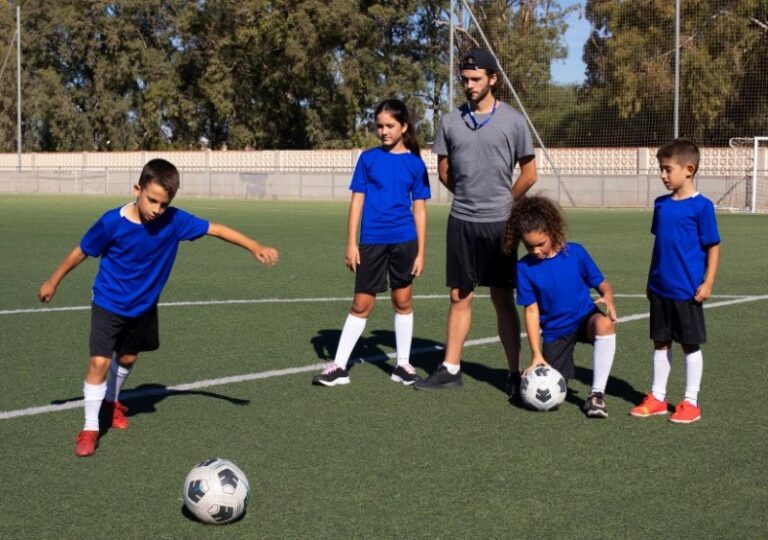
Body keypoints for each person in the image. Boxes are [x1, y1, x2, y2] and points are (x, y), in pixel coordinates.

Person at [38, 159, 279, 457]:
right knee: (99, 363)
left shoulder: (174, 221)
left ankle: (111, 402)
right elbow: (81, 252)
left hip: (143, 307)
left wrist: (254, 246)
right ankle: (90, 428)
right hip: (108, 302)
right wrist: (53, 280)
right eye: (151, 200)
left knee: (127, 358)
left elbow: (215, 229)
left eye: (163, 204)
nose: (156, 209)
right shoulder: (111, 223)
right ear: (137, 189)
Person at [414, 48, 537, 395]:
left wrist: (502, 201)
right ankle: (450, 368)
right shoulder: (451, 121)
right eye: (464, 80)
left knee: (502, 297)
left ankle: (514, 373)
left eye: (476, 79)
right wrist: (467, 196)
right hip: (462, 222)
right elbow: (443, 171)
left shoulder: (513, 121)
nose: (469, 85)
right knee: (459, 295)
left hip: (500, 224)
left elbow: (529, 174)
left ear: (493, 79)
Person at [312, 99, 431, 387]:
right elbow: (356, 203)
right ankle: (339, 366)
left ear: (404, 127)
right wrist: (351, 243)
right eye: (379, 126)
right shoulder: (367, 159)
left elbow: (420, 209)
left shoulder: (415, 164)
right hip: (371, 242)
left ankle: (403, 364)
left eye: (390, 125)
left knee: (402, 300)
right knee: (361, 303)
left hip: (404, 241)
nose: (384, 131)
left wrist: (421, 253)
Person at [630, 138, 720, 424]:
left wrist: (708, 283)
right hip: (660, 287)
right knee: (660, 342)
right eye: (661, 169)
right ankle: (657, 398)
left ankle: (691, 402)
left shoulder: (702, 207)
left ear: (689, 169)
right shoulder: (661, 205)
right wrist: (650, 279)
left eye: (668, 169)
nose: (662, 175)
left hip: (687, 290)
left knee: (689, 344)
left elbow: (713, 246)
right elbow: (661, 247)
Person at [503, 195, 617, 417]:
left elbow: (602, 284)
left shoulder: (576, 253)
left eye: (540, 244)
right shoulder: (524, 268)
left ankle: (597, 396)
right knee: (553, 389)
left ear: (552, 231)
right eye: (528, 245)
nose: (535, 250)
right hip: (556, 331)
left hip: (584, 317)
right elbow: (531, 311)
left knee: (604, 325)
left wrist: (608, 297)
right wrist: (536, 354)